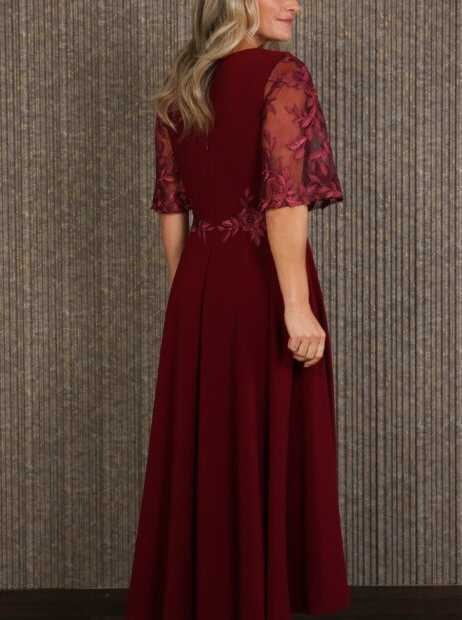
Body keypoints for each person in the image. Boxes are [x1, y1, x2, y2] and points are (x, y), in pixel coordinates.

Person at [125, 1, 351, 618]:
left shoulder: (181, 86)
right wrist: (297, 306)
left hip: (199, 287)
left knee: (212, 445)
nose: (295, 3)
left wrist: (187, 298)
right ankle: (260, 597)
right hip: (261, 284)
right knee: (263, 442)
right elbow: (284, 199)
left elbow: (171, 206)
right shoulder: (283, 74)